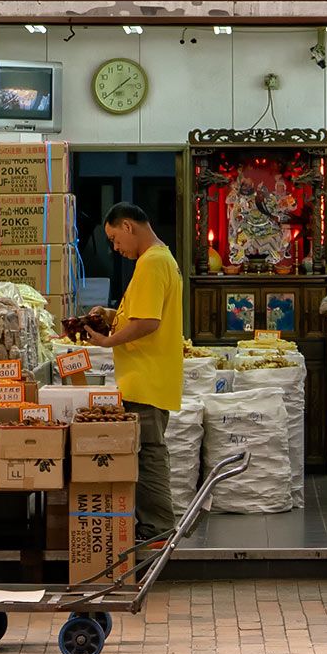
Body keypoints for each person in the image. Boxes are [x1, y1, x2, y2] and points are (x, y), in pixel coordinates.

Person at [86, 202, 184, 542]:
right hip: (148, 377)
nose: (115, 248)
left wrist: (108, 340)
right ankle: (154, 525)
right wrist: (113, 314)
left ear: (128, 226)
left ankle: (157, 528)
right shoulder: (157, 259)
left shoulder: (153, 262)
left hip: (146, 379)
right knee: (147, 452)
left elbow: (148, 322)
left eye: (114, 239)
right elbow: (140, 314)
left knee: (149, 455)